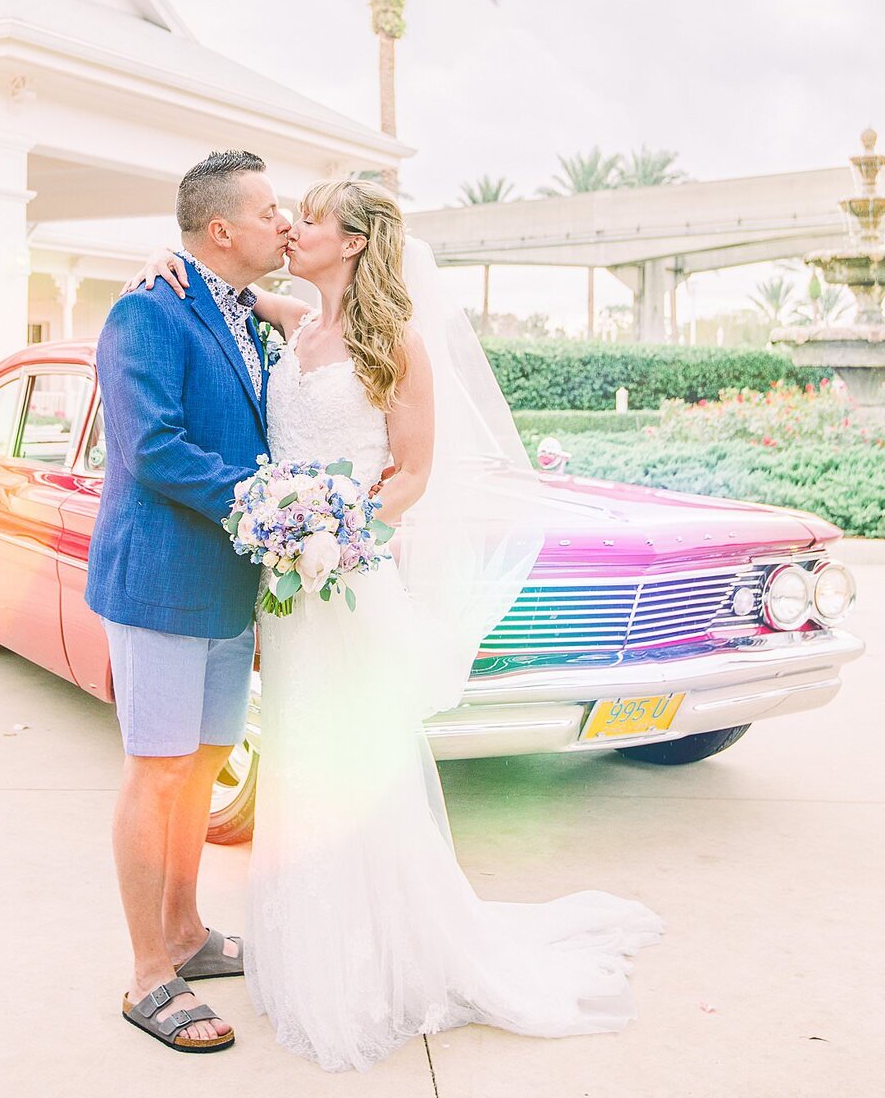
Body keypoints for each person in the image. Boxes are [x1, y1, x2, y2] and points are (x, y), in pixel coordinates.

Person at [128, 176, 662, 1072]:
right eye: (286, 213)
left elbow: (411, 473)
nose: (294, 226)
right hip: (289, 593)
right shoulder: (293, 322)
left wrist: (337, 537)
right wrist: (158, 262)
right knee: (300, 764)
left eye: (314, 218)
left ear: (357, 242)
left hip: (346, 581)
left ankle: (383, 959)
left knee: (356, 767)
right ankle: (310, 948)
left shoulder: (396, 343)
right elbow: (206, 279)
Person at [86, 150, 292, 1053]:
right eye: (270, 211)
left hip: (225, 587)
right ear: (221, 231)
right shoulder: (146, 309)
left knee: (204, 765)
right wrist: (264, 510)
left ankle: (187, 932)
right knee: (159, 768)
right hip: (161, 579)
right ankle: (147, 977)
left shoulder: (244, 312)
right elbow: (153, 449)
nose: (284, 224)